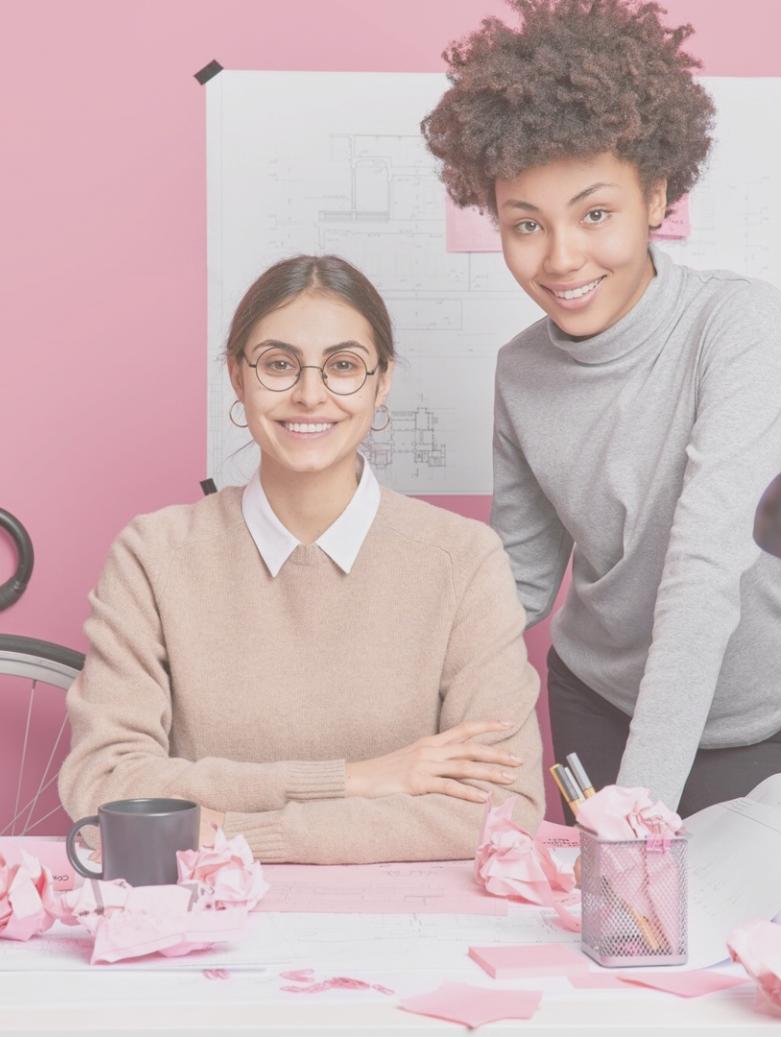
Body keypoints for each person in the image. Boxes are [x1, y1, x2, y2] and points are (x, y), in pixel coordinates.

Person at [421, 0, 781, 818]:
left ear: (656, 195)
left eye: (594, 214)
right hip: (596, 703)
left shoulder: (739, 326)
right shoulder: (520, 370)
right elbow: (520, 575)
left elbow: (700, 571)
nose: (559, 258)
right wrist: (398, 691)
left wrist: (637, 807)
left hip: (757, 724)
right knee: (604, 937)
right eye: (524, 224)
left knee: (732, 932)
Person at [57, 255, 544, 864]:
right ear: (238, 376)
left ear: (381, 380)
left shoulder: (462, 560)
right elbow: (103, 782)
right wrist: (355, 778)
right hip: (195, 927)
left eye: (343, 366)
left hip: (407, 929)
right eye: (279, 365)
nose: (310, 395)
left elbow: (502, 805)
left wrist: (240, 834)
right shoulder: (154, 556)